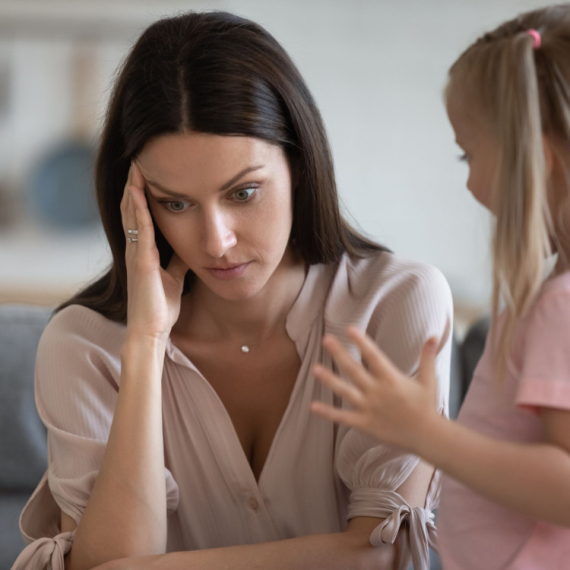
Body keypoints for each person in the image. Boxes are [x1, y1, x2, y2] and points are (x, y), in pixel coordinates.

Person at [11, 11, 452, 570]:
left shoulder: (397, 302)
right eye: (176, 203)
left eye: (243, 193)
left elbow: (380, 558)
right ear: (136, 205)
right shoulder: (84, 344)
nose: (216, 242)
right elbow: (114, 556)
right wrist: (146, 344)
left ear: (299, 164)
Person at [311, 5, 570, 570]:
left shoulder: (560, 307)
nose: (470, 178)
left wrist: (427, 433)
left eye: (468, 153)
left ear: (537, 160)